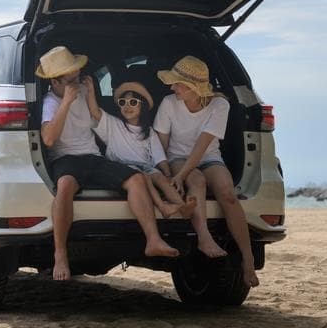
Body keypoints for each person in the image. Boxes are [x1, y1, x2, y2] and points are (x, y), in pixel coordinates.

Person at [37, 46, 179, 281]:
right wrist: (66, 103)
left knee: (136, 178)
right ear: (55, 82)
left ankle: (153, 240)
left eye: (78, 76)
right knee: (64, 187)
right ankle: (60, 254)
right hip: (66, 159)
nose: (77, 82)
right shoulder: (50, 102)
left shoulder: (84, 89)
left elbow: (97, 118)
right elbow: (49, 139)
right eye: (72, 79)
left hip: (93, 156)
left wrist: (90, 92)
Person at [82, 77, 226, 258]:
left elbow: (160, 158)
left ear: (142, 106)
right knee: (144, 177)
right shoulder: (113, 125)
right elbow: (95, 111)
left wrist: (169, 177)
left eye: (133, 102)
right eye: (123, 102)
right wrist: (90, 90)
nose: (127, 106)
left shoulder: (149, 133)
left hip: (147, 168)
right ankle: (164, 207)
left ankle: (182, 207)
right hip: (124, 168)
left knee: (159, 177)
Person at [154, 55, 260, 288]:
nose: (173, 88)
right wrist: (166, 174)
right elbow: (161, 142)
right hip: (177, 158)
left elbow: (204, 144)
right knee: (198, 180)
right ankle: (204, 238)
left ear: (194, 88)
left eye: (178, 84)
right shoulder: (169, 103)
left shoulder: (219, 105)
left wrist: (181, 176)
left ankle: (248, 257)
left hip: (208, 156)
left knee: (228, 193)